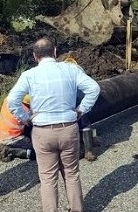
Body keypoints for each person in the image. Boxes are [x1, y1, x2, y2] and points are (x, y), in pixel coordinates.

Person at [7, 37, 100, 212]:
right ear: (55, 52)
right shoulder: (70, 70)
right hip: (68, 128)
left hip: (42, 132)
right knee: (71, 173)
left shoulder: (29, 75)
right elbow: (94, 88)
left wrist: (26, 117)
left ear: (35, 56)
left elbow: (12, 100)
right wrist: (81, 110)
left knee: (48, 178)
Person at [0, 94, 36, 162]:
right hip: (13, 138)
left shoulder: (9, 98)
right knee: (43, 151)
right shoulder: (24, 110)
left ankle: (8, 146)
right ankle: (12, 151)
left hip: (3, 134)